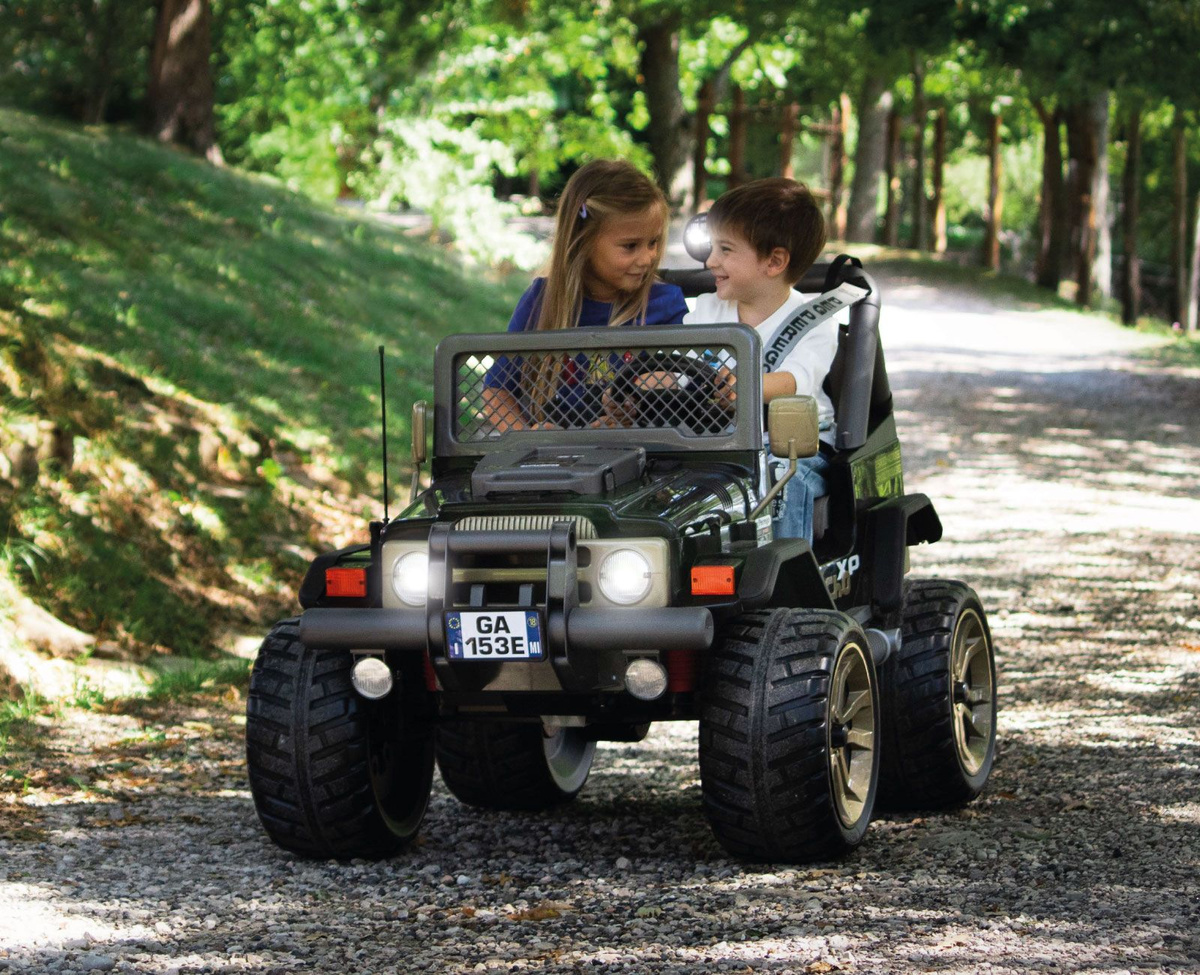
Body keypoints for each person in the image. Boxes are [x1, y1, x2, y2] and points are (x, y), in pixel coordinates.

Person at [483, 159, 688, 431]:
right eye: (630, 246)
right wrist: (528, 439)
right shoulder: (541, 302)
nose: (648, 257)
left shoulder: (666, 303)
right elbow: (496, 391)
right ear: (583, 240)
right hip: (552, 464)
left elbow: (687, 390)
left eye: (654, 242)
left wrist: (651, 393)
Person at [683, 177, 835, 542]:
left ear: (774, 261)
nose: (710, 260)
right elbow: (681, 366)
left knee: (783, 477)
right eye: (712, 247)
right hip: (720, 440)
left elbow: (795, 380)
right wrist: (650, 381)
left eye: (725, 249)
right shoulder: (708, 309)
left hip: (794, 445)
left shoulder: (813, 321)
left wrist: (744, 387)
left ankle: (787, 577)